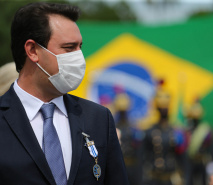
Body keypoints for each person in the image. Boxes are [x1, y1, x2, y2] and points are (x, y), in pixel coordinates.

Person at [0, 2, 129, 185]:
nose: (79, 57)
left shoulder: (99, 119)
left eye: (80, 47)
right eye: (69, 48)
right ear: (32, 50)